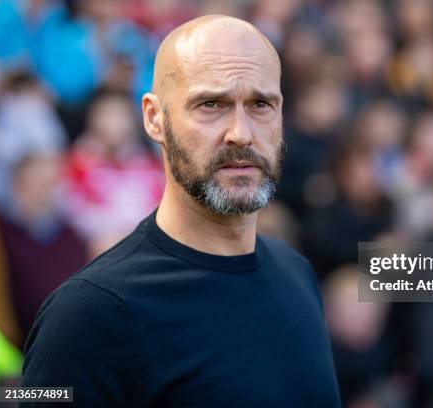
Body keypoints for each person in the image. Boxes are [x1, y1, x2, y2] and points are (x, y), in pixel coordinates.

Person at [21, 15, 341, 407]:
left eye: (261, 104)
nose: (241, 132)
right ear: (154, 118)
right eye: (211, 104)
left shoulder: (298, 274)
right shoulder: (88, 316)